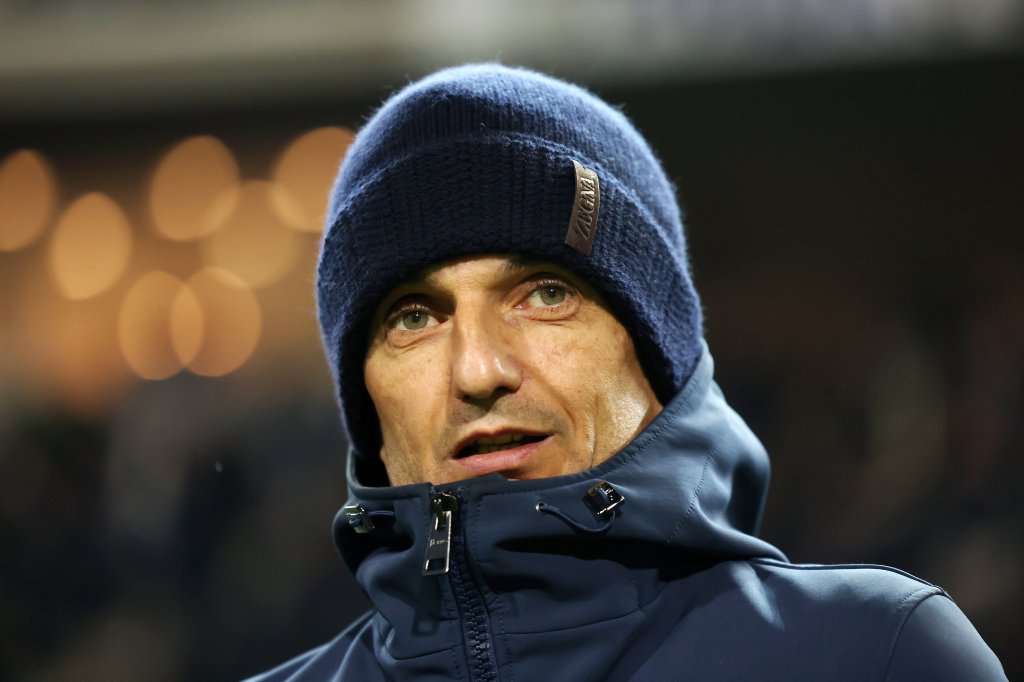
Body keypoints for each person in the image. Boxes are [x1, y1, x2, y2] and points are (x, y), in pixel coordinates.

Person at [246, 64, 1005, 681]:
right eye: (414, 317)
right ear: (365, 404)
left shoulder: (875, 657)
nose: (478, 370)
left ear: (655, 353)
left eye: (545, 294)